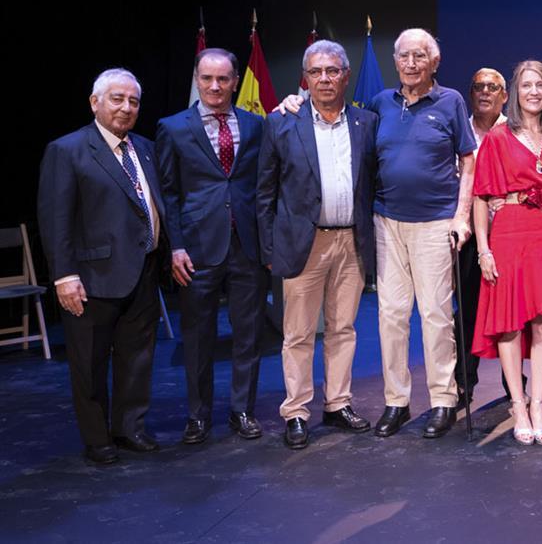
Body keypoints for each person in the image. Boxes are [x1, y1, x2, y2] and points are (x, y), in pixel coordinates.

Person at [38, 68, 167, 465]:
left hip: (143, 270)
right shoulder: (68, 150)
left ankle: (129, 428)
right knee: (90, 363)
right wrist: (64, 275)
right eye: (117, 99)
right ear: (95, 102)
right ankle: (98, 439)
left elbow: (156, 205)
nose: (126, 107)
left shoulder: (144, 147)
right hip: (91, 279)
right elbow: (55, 218)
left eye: (133, 101)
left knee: (137, 358)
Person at [257, 40, 378, 449]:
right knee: (298, 332)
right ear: (304, 79)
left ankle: (338, 403)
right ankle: (296, 410)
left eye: (332, 71)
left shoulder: (366, 123)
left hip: (351, 241)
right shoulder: (281, 123)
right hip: (302, 244)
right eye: (316, 72)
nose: (324, 79)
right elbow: (264, 193)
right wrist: (270, 250)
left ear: (345, 75)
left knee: (343, 328)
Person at [366, 28, 475, 440]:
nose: (411, 64)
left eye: (420, 56)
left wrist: (461, 215)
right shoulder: (379, 103)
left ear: (434, 62)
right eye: (405, 56)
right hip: (387, 222)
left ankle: (444, 400)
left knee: (434, 315)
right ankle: (396, 401)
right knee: (391, 315)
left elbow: (468, 159)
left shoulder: (450, 102)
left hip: (434, 223)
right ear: (396, 62)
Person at [156, 48, 269, 445]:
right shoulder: (172, 128)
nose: (216, 86)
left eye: (223, 79)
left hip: (247, 247)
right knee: (198, 336)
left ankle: (242, 410)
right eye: (207, 79)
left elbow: (262, 188)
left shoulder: (256, 126)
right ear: (197, 80)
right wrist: (176, 247)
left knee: (248, 335)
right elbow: (168, 194)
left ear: (236, 81)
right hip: (197, 250)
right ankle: (198, 416)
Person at [472, 60, 542, 445]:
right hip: (510, 234)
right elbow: (482, 198)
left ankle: (538, 404)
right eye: (525, 86)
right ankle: (517, 404)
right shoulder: (498, 138)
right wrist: (484, 249)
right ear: (514, 94)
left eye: (540, 85)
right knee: (510, 322)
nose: (533, 92)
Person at [454, 67, 508, 405]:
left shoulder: (515, 131)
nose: (485, 92)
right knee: (468, 309)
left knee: (511, 311)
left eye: (492, 87)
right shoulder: (458, 130)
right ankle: (464, 380)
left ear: (504, 95)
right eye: (478, 87)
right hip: (468, 234)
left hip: (507, 233)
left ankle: (513, 379)